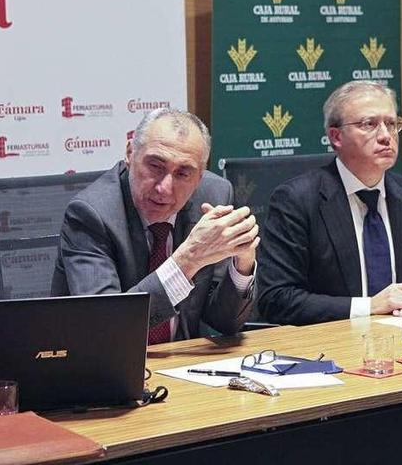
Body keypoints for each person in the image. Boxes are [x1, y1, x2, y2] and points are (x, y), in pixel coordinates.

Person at [52, 108, 259, 343]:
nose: (164, 188)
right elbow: (106, 328)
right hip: (100, 367)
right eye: (155, 166)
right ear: (130, 153)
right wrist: (187, 260)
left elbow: (224, 321)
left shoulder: (214, 194)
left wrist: (243, 263)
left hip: (180, 365)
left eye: (183, 173)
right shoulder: (90, 214)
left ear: (200, 176)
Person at [257, 80, 402, 325]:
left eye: (391, 124)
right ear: (336, 136)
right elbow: (277, 299)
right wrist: (370, 307)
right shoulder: (296, 200)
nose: (385, 136)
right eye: (369, 124)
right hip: (330, 344)